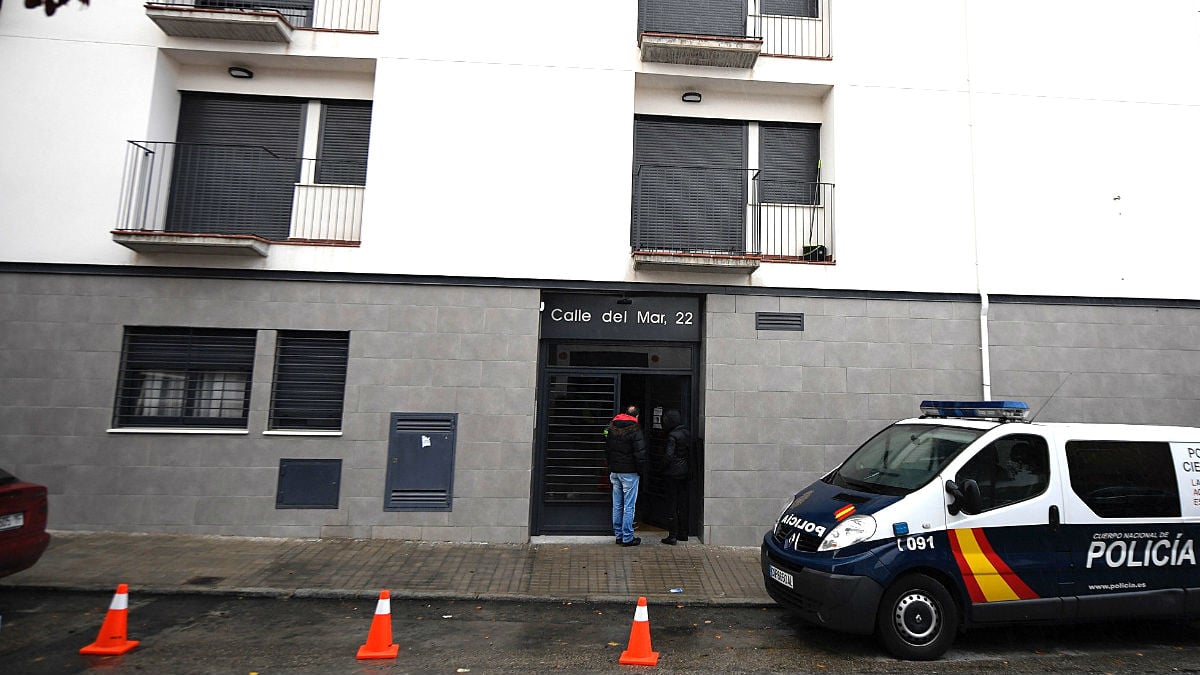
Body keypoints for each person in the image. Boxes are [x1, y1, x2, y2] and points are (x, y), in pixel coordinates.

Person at [605, 404, 648, 547]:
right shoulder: (635, 430)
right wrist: (641, 471)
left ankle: (618, 535)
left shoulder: (612, 428)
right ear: (636, 416)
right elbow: (640, 454)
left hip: (615, 472)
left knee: (617, 504)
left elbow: (608, 450)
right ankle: (627, 537)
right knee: (629, 506)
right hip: (629, 473)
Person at [658, 409, 690, 545]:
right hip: (685, 472)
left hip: (672, 474)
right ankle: (683, 532)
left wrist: (661, 467)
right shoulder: (686, 433)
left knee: (672, 503)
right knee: (682, 503)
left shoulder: (672, 435)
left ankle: (672, 535)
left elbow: (669, 456)